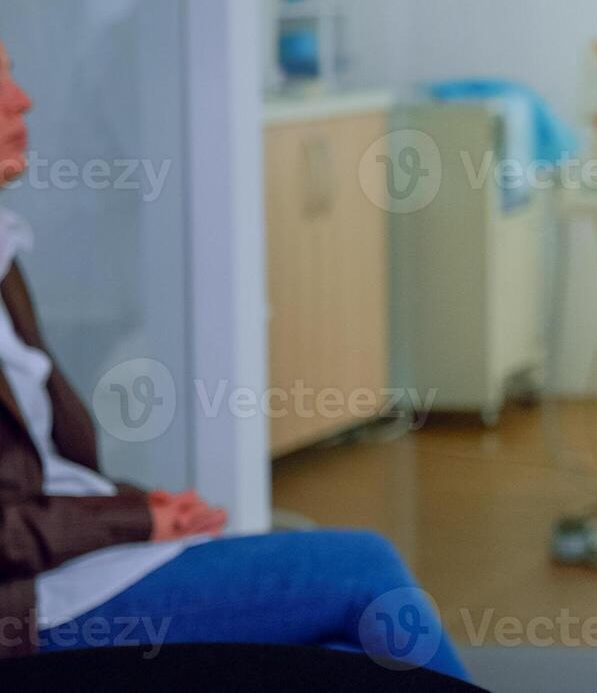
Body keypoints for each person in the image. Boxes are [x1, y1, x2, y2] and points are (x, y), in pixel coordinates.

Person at [0, 40, 469, 679]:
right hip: (36, 606)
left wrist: (142, 511)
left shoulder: (5, 255)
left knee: (352, 655)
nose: (22, 98)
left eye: (12, 73)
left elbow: (43, 472)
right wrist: (135, 519)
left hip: (77, 565)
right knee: (367, 574)